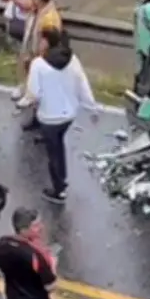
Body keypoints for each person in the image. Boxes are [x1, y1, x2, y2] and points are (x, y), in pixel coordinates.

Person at [20, 27, 99, 203]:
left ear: (47, 42)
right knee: (58, 146)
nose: (38, 43)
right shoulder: (72, 59)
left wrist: (22, 103)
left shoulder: (39, 64)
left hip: (49, 117)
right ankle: (61, 182)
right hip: (68, 116)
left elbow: (33, 93)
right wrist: (92, 108)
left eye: (41, 40)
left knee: (53, 153)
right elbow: (83, 85)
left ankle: (59, 189)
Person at [14, 0, 62, 103]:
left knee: (36, 71)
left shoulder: (50, 17)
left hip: (41, 49)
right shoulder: (36, 10)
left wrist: (41, 52)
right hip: (31, 43)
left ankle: (32, 95)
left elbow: (47, 38)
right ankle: (24, 87)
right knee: (26, 66)